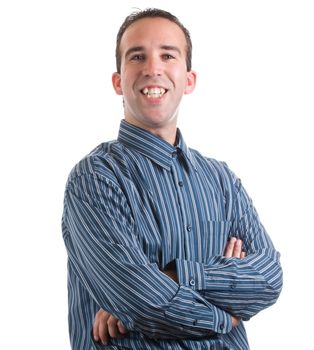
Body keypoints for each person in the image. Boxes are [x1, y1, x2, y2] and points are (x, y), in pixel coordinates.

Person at [62, 8, 283, 350]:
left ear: (189, 79)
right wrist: (226, 314)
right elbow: (142, 301)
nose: (153, 68)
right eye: (137, 56)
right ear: (118, 80)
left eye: (168, 55)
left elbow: (268, 279)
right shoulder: (95, 179)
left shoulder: (222, 181)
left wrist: (177, 275)